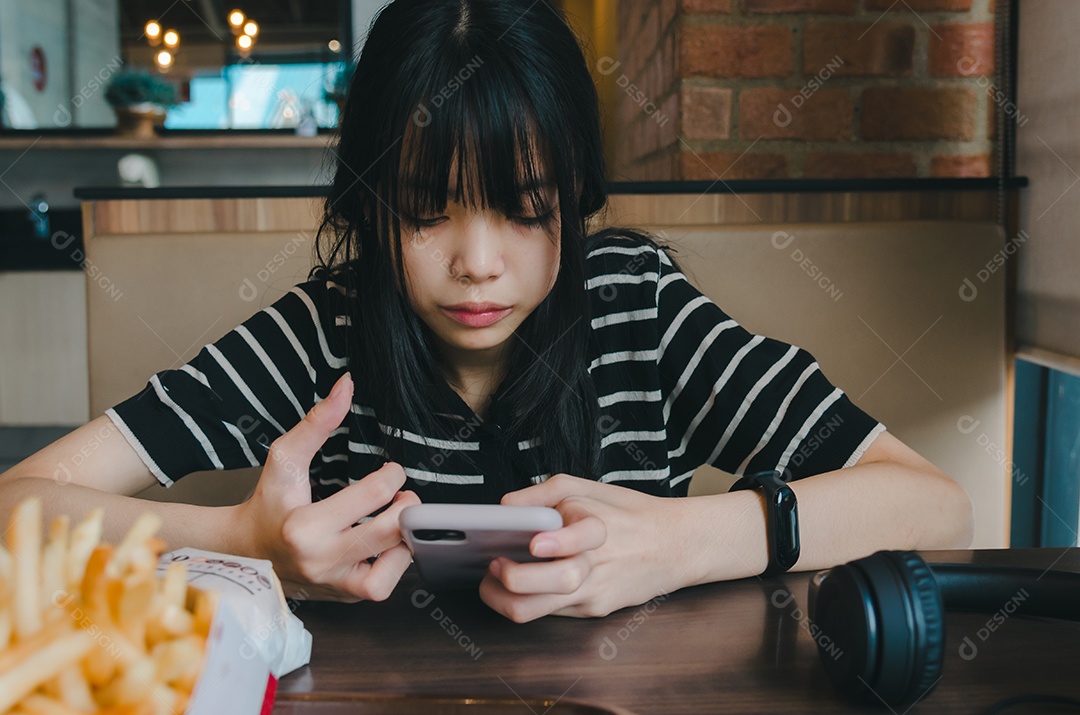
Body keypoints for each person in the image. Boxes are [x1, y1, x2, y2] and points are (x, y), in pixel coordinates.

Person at [0, 0, 972, 621]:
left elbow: (937, 503)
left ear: (577, 199)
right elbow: (14, 508)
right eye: (425, 211)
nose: (477, 264)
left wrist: (681, 542)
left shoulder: (638, 306)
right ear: (373, 206)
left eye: (525, 209)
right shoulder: (324, 330)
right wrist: (246, 540)